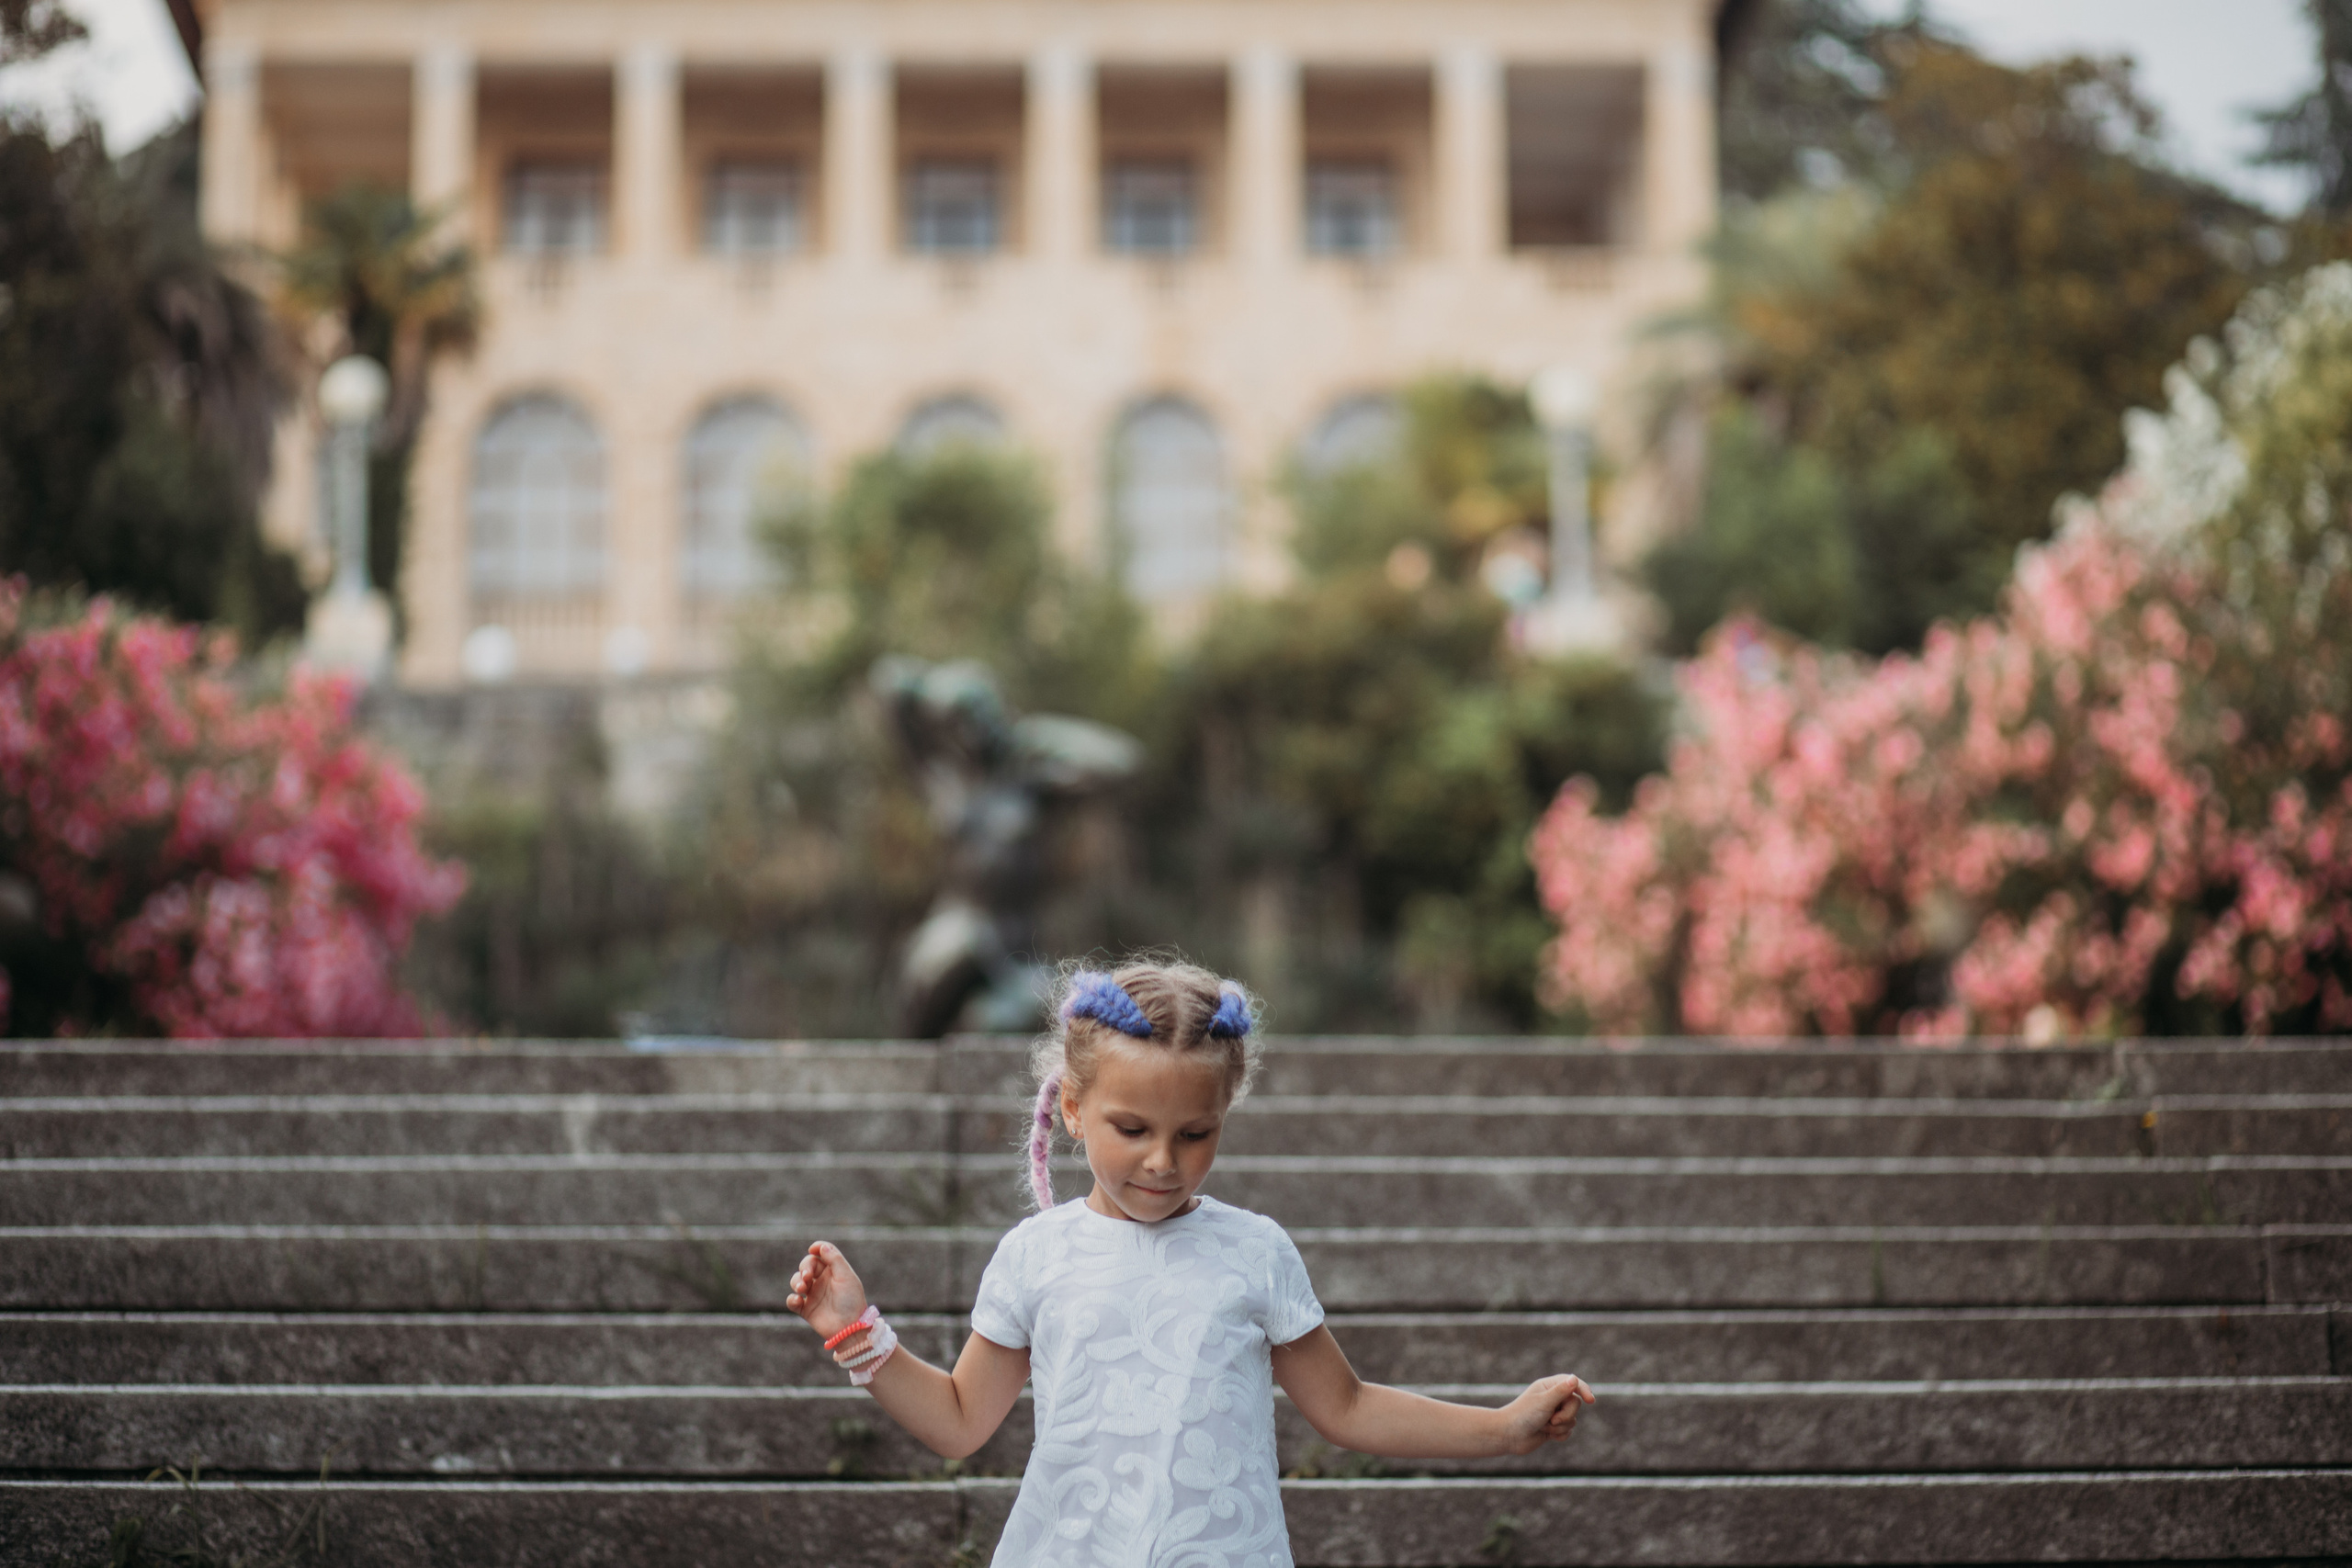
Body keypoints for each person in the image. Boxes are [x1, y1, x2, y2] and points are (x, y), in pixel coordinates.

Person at [786, 957, 1597, 1567]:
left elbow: (1345, 1406)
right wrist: (855, 1329)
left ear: (1223, 1116)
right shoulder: (1036, 1254)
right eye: (1132, 1128)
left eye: (1194, 1134)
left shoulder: (1256, 1251)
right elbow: (960, 1419)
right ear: (1073, 1106)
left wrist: (1501, 1427)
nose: (1164, 1161)